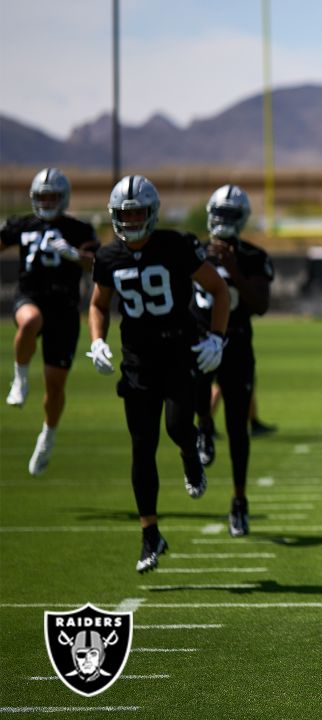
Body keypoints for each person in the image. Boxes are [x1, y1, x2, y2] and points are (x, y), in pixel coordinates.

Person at [88, 175, 230, 572]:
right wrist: (98, 340)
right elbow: (98, 304)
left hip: (178, 354)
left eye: (137, 213)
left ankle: (190, 454)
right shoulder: (108, 257)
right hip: (137, 362)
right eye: (124, 214)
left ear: (152, 213)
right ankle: (150, 534)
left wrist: (217, 338)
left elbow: (219, 291)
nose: (131, 221)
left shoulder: (176, 246)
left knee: (179, 426)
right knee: (142, 446)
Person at [1, 168, 98, 475]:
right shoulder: (23, 224)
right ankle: (20, 378)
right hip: (30, 297)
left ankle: (47, 437)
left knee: (55, 388)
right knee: (30, 321)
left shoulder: (79, 229)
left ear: (64, 197)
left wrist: (72, 254)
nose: (46, 201)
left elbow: (97, 263)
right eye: (42, 196)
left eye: (52, 196)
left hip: (65, 310)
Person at [192, 185, 273, 536]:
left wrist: (232, 268)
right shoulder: (191, 251)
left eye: (230, 216)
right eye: (219, 214)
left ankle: (239, 501)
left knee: (239, 428)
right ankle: (204, 431)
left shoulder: (253, 256)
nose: (223, 222)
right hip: (196, 341)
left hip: (237, 343)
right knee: (189, 404)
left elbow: (260, 304)